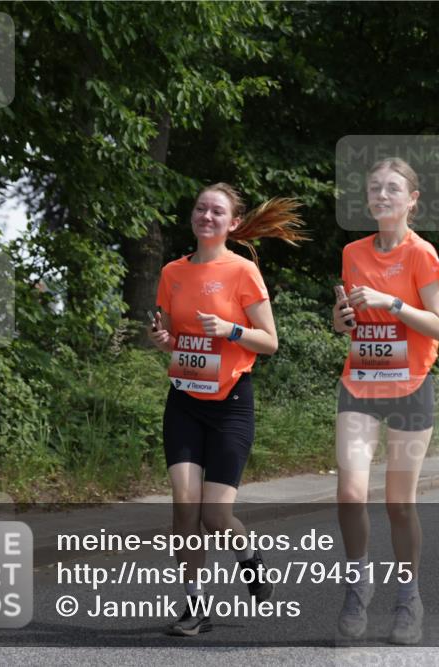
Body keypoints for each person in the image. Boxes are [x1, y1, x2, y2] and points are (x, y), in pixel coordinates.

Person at [149, 183, 306, 636]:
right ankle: (195, 608)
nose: (207, 216)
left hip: (231, 404)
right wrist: (163, 342)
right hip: (183, 400)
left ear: (233, 223)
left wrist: (231, 329)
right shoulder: (172, 272)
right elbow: (172, 338)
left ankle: (250, 560)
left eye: (217, 211)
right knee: (184, 508)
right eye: (201, 208)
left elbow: (270, 341)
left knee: (216, 518)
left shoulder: (242, 272)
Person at [332, 158, 439, 644]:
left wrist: (392, 304)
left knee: (399, 503)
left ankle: (408, 597)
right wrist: (344, 319)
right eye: (375, 188)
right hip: (360, 384)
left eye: (393, 189)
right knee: (350, 494)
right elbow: (346, 322)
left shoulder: (421, 254)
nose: (382, 195)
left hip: (409, 388)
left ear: (411, 200)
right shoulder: (353, 252)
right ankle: (358, 585)